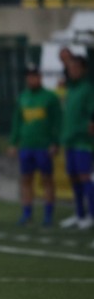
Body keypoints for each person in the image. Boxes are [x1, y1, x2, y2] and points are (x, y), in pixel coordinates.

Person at [8, 65, 61, 226]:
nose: (32, 79)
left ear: (40, 77)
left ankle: (48, 215)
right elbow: (17, 122)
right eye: (29, 77)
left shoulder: (50, 97)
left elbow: (57, 121)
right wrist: (13, 143)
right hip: (26, 145)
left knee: (47, 180)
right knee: (26, 179)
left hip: (43, 146)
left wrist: (54, 142)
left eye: (34, 76)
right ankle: (27, 212)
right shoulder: (23, 97)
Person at [59, 55, 94, 230]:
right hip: (70, 140)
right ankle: (79, 214)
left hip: (83, 142)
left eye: (76, 68)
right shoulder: (71, 89)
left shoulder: (87, 89)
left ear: (83, 70)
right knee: (74, 178)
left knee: (85, 177)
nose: (73, 71)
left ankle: (91, 215)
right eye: (70, 68)